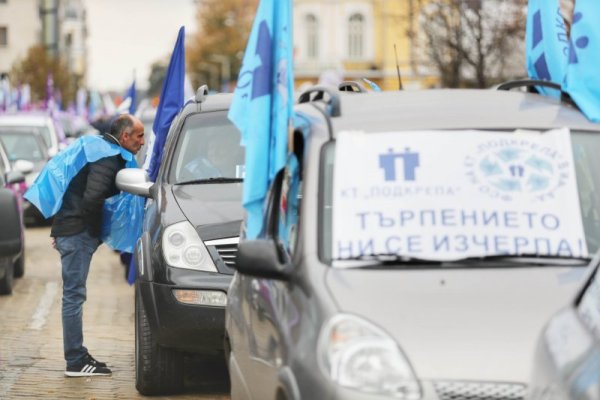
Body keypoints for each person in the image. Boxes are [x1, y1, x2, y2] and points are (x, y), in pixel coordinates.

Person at [51, 114, 144, 377]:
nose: (143, 141)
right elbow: (91, 198)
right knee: (74, 295)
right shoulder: (106, 157)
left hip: (71, 230)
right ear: (124, 136)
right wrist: (93, 234)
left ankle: (78, 355)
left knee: (74, 294)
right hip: (77, 233)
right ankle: (75, 361)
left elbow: (74, 190)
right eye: (139, 135)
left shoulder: (101, 149)